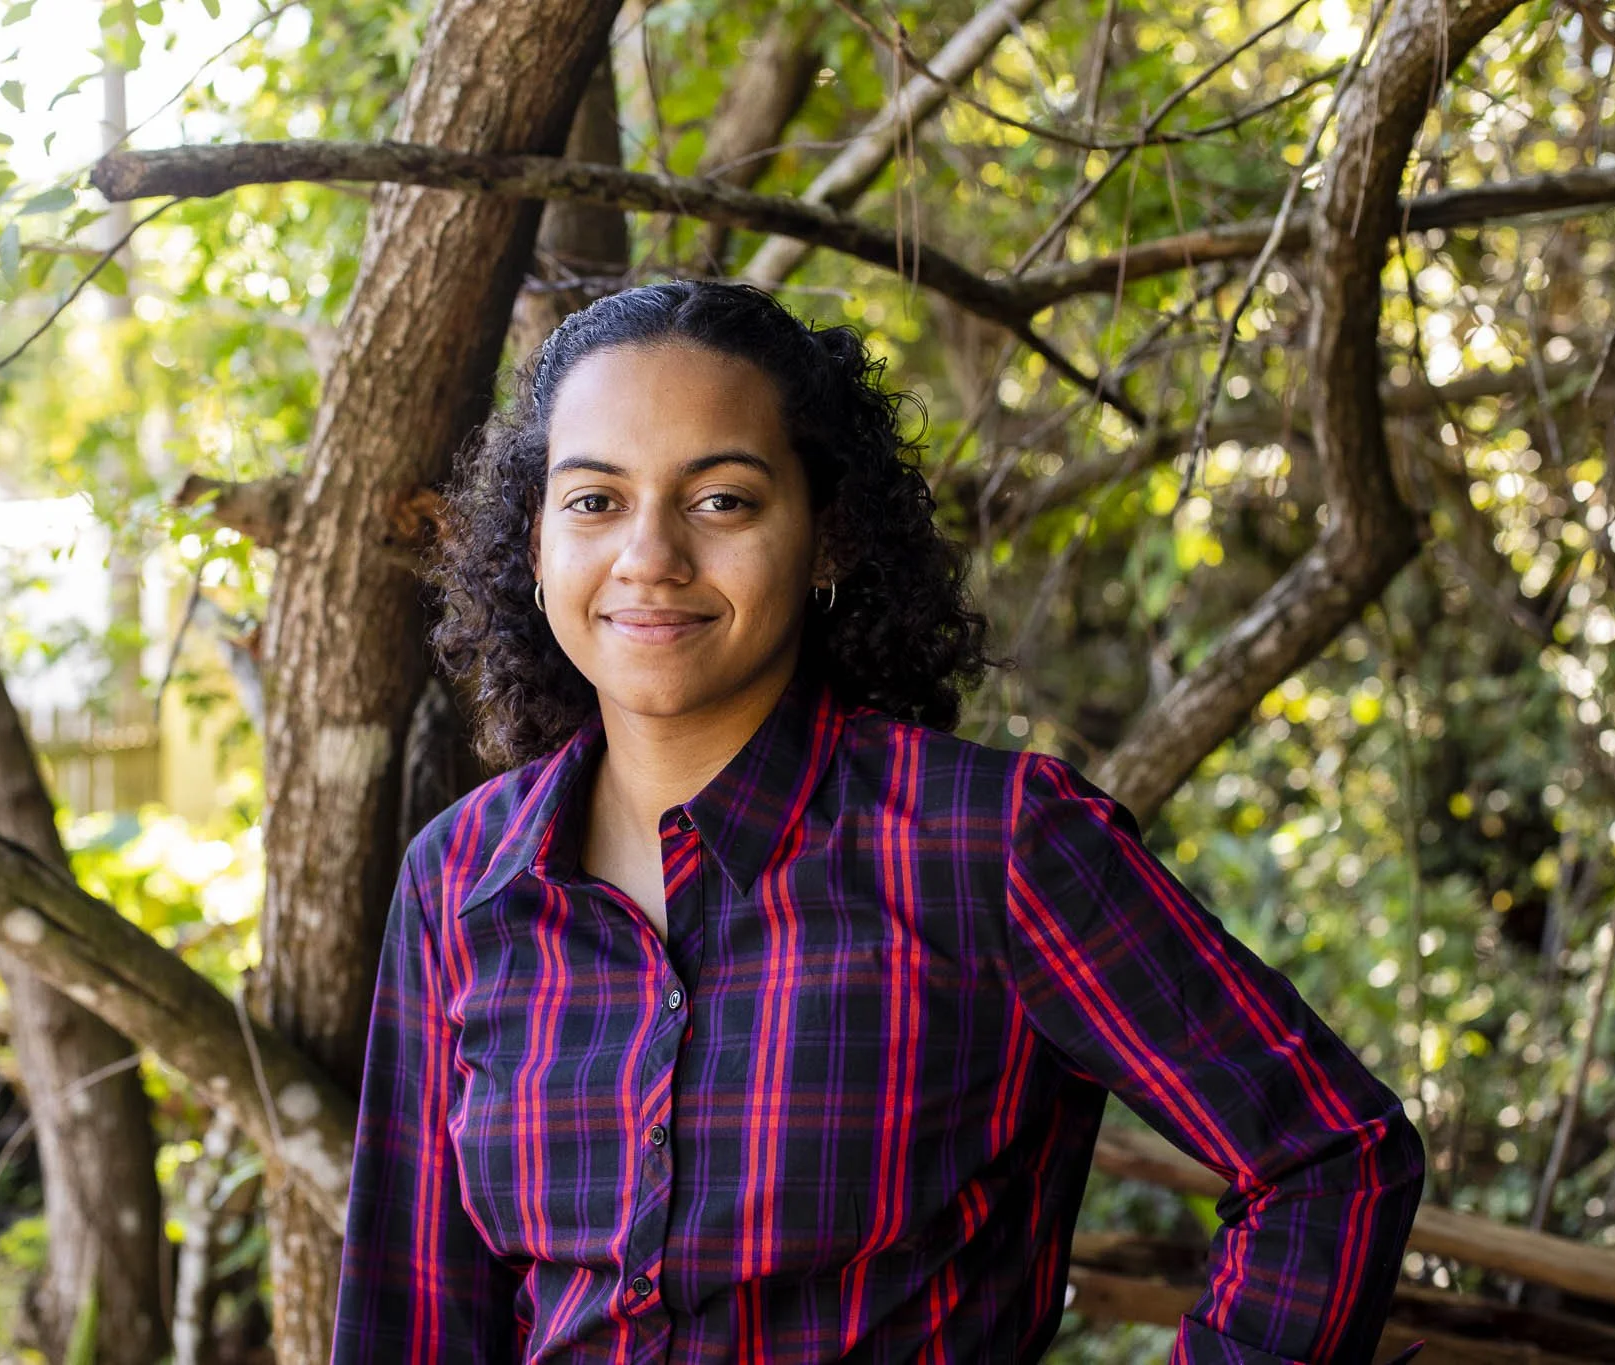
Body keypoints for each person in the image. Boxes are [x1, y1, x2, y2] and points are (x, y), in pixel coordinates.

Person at [329, 280, 1427, 1364]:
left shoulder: (990, 846)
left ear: (828, 539)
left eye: (721, 500)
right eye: (593, 500)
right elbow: (410, 1317)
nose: (649, 558)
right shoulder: (461, 878)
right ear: (533, 544)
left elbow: (1328, 1159)